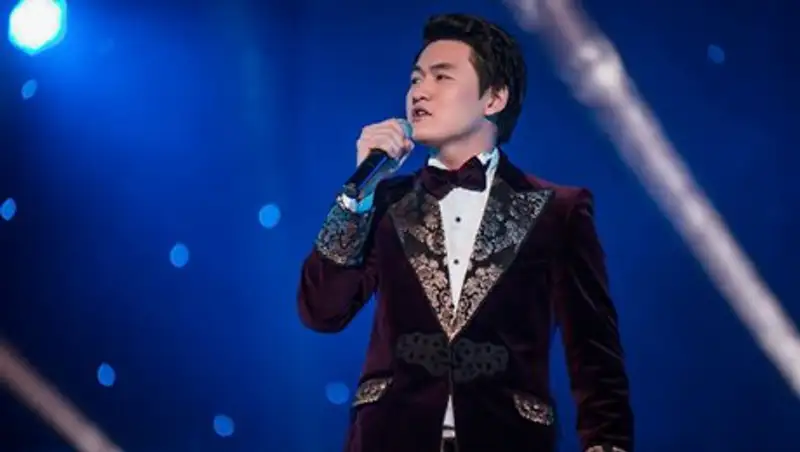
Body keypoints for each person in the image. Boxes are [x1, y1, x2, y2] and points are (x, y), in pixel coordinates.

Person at [297, 13, 633, 452]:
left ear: (493, 98)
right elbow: (322, 311)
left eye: (441, 76)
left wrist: (607, 444)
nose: (419, 91)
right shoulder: (384, 202)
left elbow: (593, 350)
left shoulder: (559, 210)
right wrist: (358, 194)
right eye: (415, 78)